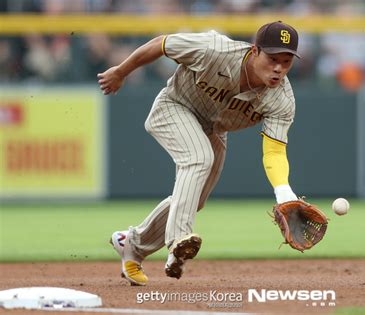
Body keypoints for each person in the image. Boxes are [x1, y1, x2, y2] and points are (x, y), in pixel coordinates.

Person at [98, 21, 301, 286]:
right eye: (272, 59)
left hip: (214, 129)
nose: (278, 68)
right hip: (175, 106)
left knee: (195, 199)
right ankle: (177, 241)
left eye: (286, 62)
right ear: (254, 51)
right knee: (199, 158)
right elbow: (161, 43)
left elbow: (274, 150)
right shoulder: (214, 49)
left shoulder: (282, 99)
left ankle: (132, 244)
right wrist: (121, 72)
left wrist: (283, 191)